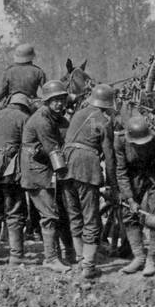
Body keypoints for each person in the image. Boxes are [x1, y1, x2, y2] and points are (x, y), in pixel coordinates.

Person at [61, 83, 117, 279]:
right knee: (91, 217)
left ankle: (79, 258)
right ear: (108, 103)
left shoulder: (77, 114)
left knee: (74, 215)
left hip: (66, 166)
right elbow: (109, 157)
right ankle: (89, 266)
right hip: (86, 168)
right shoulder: (104, 121)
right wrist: (112, 184)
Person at [21, 80, 71, 271]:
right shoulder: (42, 120)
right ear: (47, 101)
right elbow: (53, 150)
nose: (59, 103)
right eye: (55, 100)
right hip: (35, 171)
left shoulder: (53, 117)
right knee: (49, 214)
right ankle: (50, 258)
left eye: (61, 99)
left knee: (54, 212)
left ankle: (60, 254)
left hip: (41, 168)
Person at [0, 92, 32, 266]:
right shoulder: (24, 117)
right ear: (24, 106)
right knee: (15, 212)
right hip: (9, 170)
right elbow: (28, 145)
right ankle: (16, 255)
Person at [114, 115, 155, 276]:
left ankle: (151, 257)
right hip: (132, 176)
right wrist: (130, 198)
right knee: (128, 213)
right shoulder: (121, 141)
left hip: (152, 176)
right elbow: (121, 171)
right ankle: (139, 257)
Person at [0, 43, 46, 107]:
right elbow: (47, 90)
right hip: (31, 103)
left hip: (12, 102)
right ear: (32, 56)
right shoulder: (38, 71)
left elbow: (0, 93)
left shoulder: (9, 71)